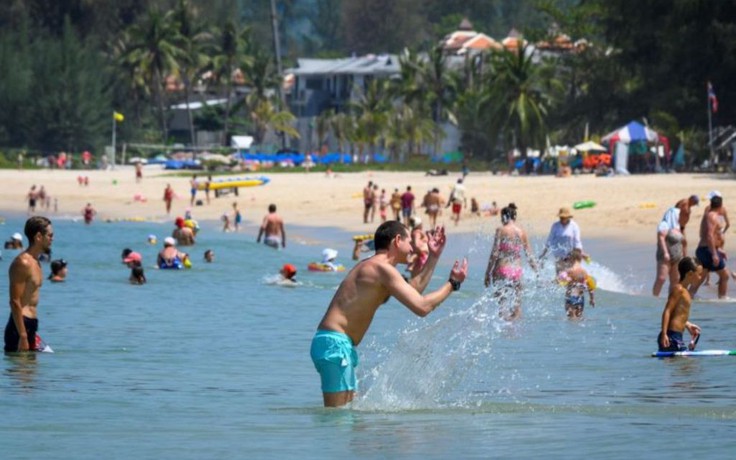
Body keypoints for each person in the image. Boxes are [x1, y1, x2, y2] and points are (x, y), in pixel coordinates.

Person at [311, 221, 468, 407]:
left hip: (337, 344)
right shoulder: (380, 269)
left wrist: (433, 256)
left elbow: (414, 289)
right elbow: (422, 307)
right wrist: (452, 284)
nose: (411, 248)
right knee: (338, 418)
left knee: (347, 417)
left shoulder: (377, 268)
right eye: (409, 242)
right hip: (334, 344)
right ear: (397, 240)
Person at [5, 216, 54, 352]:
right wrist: (23, 336)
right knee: (21, 371)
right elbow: (15, 301)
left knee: (32, 371)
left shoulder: (36, 262)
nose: (52, 239)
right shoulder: (22, 263)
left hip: (31, 325)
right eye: (50, 235)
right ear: (39, 236)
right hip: (20, 327)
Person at [484, 203, 537, 320]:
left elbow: (495, 252)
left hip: (502, 269)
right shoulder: (522, 232)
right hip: (516, 271)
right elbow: (529, 255)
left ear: (503, 217)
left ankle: (504, 332)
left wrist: (488, 272)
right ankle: (515, 330)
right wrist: (537, 272)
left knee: (502, 304)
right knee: (517, 304)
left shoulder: (501, 230)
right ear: (514, 217)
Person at [658, 257, 702, 352]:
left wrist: (688, 325)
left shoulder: (686, 291)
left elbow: (677, 313)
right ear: (690, 274)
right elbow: (667, 311)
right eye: (699, 274)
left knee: (686, 365)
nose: (700, 277)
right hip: (671, 336)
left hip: (677, 336)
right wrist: (664, 334)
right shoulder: (678, 289)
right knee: (686, 365)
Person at [694, 195, 730, 298]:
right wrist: (714, 254)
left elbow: (709, 235)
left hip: (705, 249)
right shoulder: (713, 216)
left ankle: (690, 295)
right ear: (721, 205)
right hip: (707, 250)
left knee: (702, 275)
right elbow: (709, 235)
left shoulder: (710, 215)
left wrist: (719, 250)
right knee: (725, 275)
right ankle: (722, 299)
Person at [539, 207, 584, 274]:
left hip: (571, 255)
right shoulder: (555, 226)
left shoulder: (574, 226)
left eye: (564, 218)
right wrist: (543, 254)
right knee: (560, 277)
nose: (562, 219)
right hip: (559, 255)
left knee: (570, 275)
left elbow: (577, 242)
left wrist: (581, 254)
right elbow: (549, 240)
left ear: (568, 217)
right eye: (561, 217)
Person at [652, 205, 684, 297]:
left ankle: (671, 298)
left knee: (675, 280)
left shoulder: (678, 227)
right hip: (665, 256)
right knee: (661, 278)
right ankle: (655, 297)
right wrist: (666, 252)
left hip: (677, 256)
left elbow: (682, 242)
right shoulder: (664, 225)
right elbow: (661, 238)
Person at [558, 249, 595, 319]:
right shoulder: (584, 272)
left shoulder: (569, 271)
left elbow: (560, 281)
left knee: (571, 318)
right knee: (579, 317)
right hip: (581, 298)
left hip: (571, 297)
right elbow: (590, 286)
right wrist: (592, 299)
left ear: (572, 258)